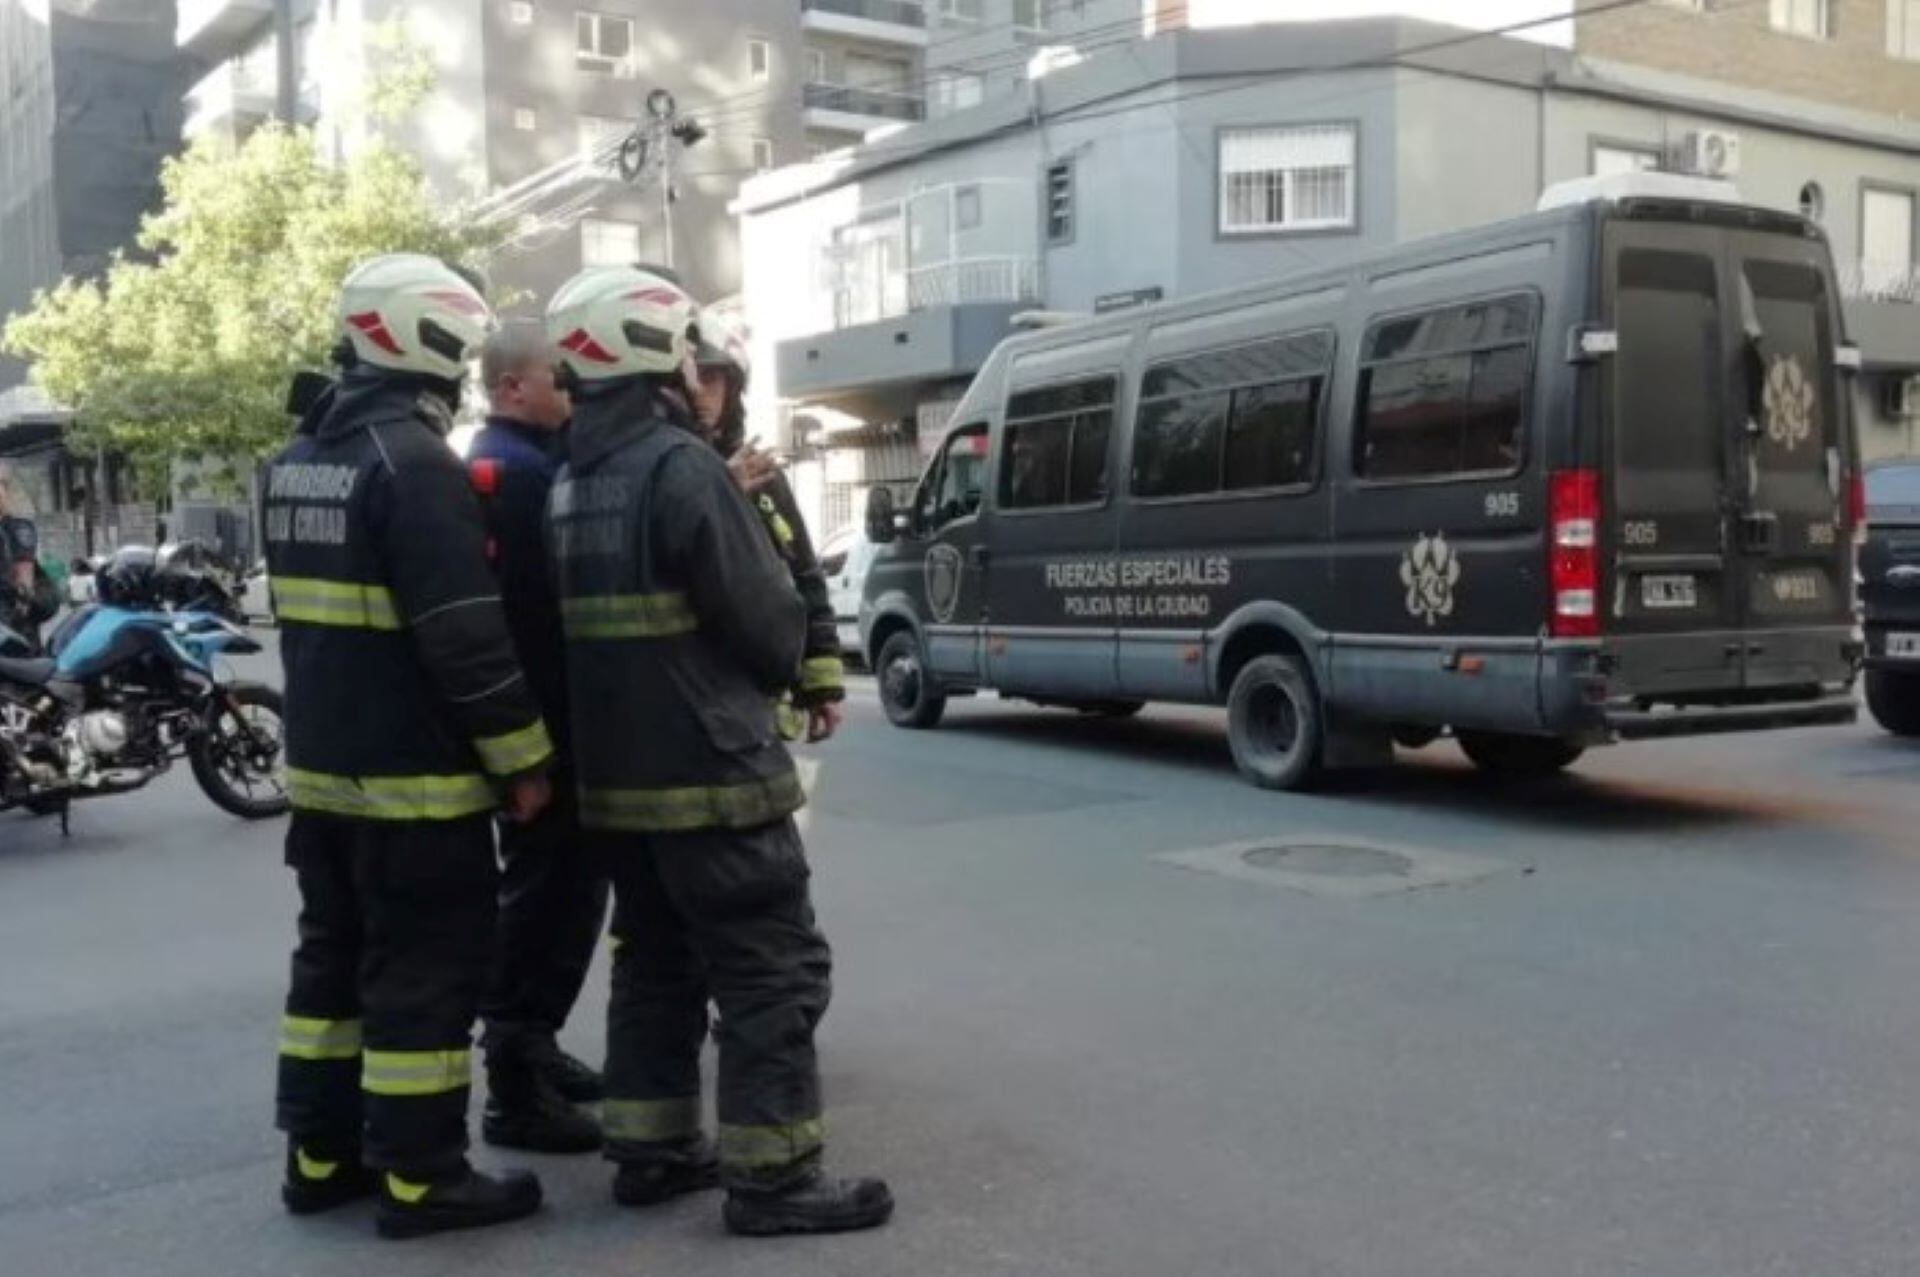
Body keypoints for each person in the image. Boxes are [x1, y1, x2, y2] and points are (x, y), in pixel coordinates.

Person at [544, 264, 893, 1236]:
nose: (702, 371)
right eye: (692, 353)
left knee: (654, 960)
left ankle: (650, 1151)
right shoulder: (681, 465)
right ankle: (774, 1179)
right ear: (657, 352)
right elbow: (771, 626)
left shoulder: (575, 477)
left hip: (622, 782)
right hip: (713, 775)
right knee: (770, 967)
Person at [266, 253, 556, 1241]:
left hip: (323, 775)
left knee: (330, 970)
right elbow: (466, 635)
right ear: (423, 338)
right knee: (423, 975)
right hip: (415, 784)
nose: (469, 364)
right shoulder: (413, 463)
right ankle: (423, 1175)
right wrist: (522, 760)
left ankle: (320, 1153)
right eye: (460, 342)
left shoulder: (299, 456)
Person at [468, 321, 607, 1155]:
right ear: (510, 387)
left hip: (551, 733)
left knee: (565, 897)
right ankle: (515, 1087)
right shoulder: (513, 475)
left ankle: (535, 1048)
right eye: (557, 377)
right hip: (544, 738)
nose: (570, 391)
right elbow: (526, 625)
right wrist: (529, 755)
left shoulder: (525, 464)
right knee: (543, 904)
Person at [689, 310, 845, 745]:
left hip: (758, 701)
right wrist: (722, 489)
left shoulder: (760, 473)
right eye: (692, 377)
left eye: (713, 379)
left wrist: (821, 682)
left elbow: (803, 573)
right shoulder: (665, 473)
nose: (700, 392)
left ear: (733, 388)